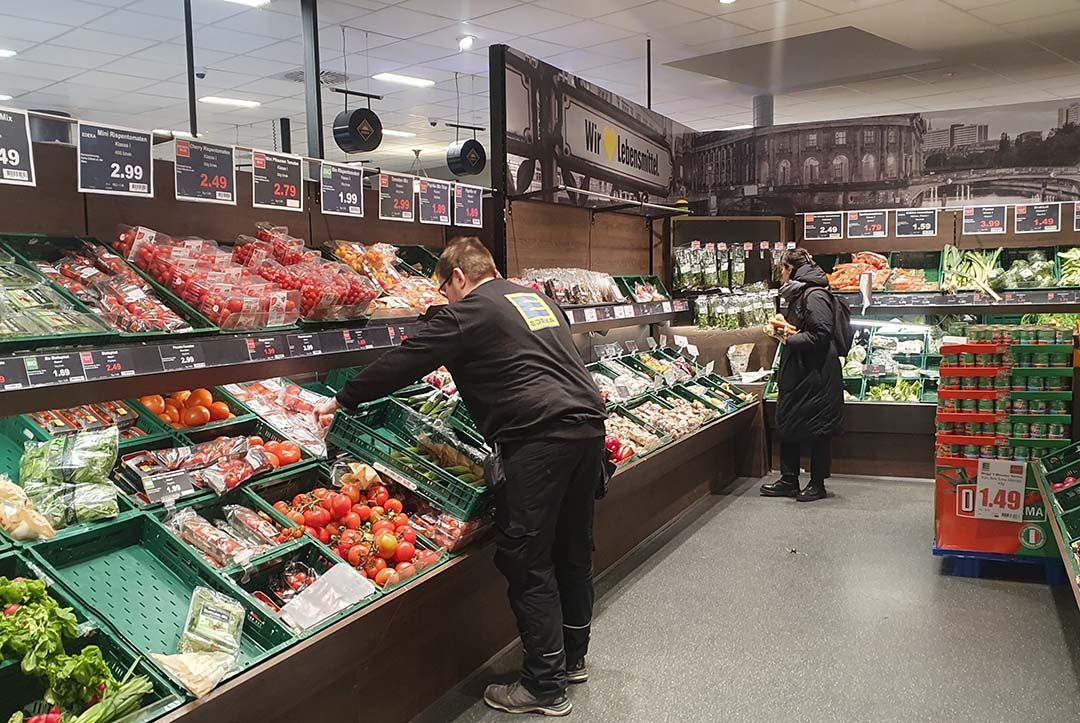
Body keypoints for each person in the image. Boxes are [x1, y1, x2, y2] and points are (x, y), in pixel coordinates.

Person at [315, 238, 607, 717]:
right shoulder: (538, 300)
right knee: (573, 548)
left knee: (527, 559)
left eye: (445, 290)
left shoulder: (469, 310)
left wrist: (343, 398)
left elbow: (409, 359)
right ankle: (571, 659)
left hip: (537, 441)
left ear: (456, 278)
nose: (447, 299)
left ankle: (544, 687)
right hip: (586, 430)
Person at [760, 248, 842, 502]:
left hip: (816, 371)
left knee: (818, 427)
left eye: (783, 269)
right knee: (789, 421)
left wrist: (788, 338)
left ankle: (817, 484)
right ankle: (789, 479)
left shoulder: (814, 294)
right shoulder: (799, 293)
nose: (781, 275)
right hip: (801, 369)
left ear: (792, 270)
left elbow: (822, 333)